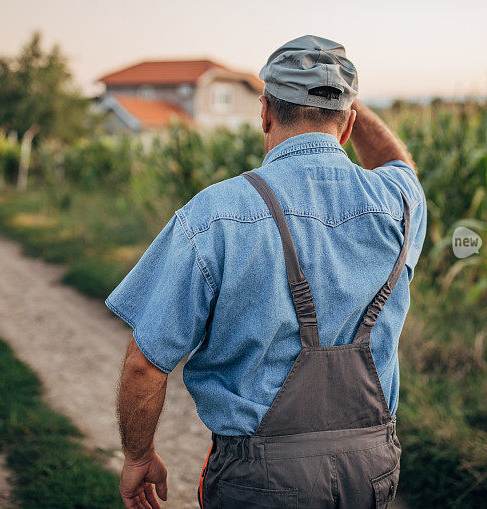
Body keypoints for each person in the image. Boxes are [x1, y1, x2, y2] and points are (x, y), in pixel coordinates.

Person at [108, 35, 427, 509]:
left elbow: (144, 363)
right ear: (349, 124)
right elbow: (398, 164)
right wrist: (341, 95)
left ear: (264, 113)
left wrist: (138, 457)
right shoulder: (399, 202)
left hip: (261, 479)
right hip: (372, 466)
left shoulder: (216, 213)